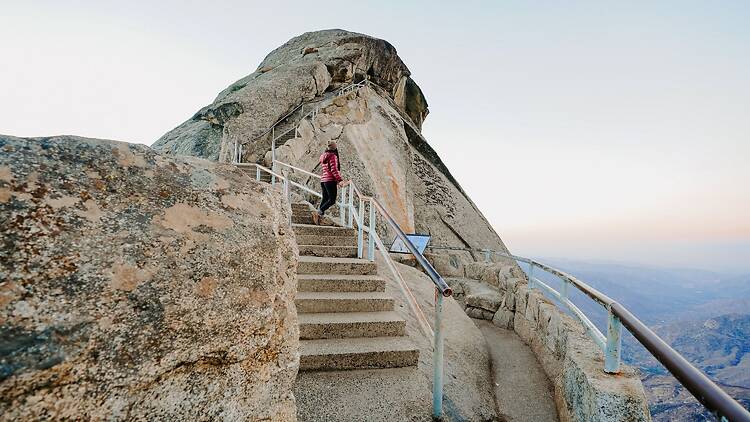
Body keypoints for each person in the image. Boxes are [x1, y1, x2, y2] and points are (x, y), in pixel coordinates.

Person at [312, 141, 347, 225]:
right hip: (330, 181)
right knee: (331, 200)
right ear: (335, 148)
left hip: (323, 180)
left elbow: (327, 169)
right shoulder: (333, 156)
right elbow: (334, 170)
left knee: (325, 199)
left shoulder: (323, 156)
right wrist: (340, 180)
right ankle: (318, 213)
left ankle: (319, 217)